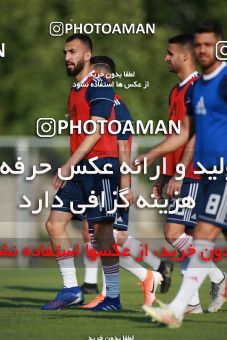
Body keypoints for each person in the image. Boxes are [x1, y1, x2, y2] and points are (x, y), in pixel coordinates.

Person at [138, 19, 227, 327]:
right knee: (192, 236)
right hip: (192, 173)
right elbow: (180, 134)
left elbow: (194, 137)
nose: (166, 57)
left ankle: (207, 287)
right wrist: (161, 170)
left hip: (203, 174)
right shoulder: (185, 91)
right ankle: (188, 305)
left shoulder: (207, 86)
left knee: (178, 234)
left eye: (169, 52)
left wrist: (178, 173)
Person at [81, 56, 169, 309]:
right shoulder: (97, 104)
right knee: (103, 237)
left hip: (113, 179)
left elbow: (123, 152)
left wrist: (125, 187)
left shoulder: (116, 108)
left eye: (92, 76)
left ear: (102, 76)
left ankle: (146, 275)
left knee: (107, 236)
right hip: (98, 178)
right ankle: (132, 282)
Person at [41, 34, 122, 311]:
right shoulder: (75, 89)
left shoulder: (98, 84)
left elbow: (97, 130)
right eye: (65, 52)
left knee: (101, 234)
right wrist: (72, 166)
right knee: (54, 224)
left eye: (73, 52)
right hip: (80, 167)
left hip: (100, 167)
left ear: (87, 56)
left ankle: (112, 297)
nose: (67, 57)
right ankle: (71, 290)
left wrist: (67, 165)